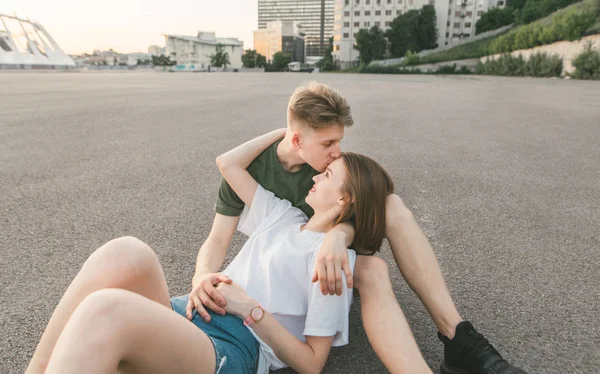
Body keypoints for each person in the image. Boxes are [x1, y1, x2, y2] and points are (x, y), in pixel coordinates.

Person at [189, 82, 526, 374]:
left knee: (385, 222)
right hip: (285, 248)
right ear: (296, 139)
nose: (337, 153)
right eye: (328, 143)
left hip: (325, 250)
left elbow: (354, 204)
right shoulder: (254, 169)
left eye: (340, 141)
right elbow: (217, 237)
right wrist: (201, 276)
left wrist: (339, 235)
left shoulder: (330, 170)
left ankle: (458, 337)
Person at [26, 128, 400, 373]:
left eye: (328, 176)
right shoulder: (283, 217)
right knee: (125, 252)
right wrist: (293, 133)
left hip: (233, 344)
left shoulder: (333, 262)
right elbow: (229, 164)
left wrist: (248, 308)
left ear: (345, 200)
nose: (316, 175)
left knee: (105, 309)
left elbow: (312, 363)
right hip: (189, 311)